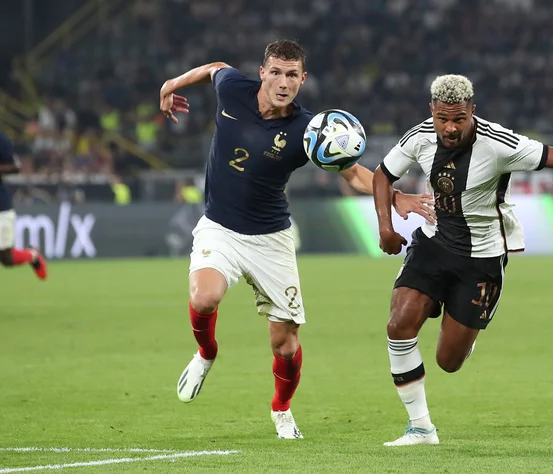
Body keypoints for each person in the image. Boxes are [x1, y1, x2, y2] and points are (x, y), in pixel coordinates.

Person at [159, 39, 435, 439]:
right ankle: (207, 353)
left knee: (285, 344)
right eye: (276, 72)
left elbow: (354, 173)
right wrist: (171, 84)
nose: (283, 82)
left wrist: (396, 198)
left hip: (271, 240)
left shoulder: (309, 130)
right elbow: (213, 67)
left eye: (292, 75)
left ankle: (281, 408)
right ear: (262, 72)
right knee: (204, 297)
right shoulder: (232, 89)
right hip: (219, 227)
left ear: (303, 79)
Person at [372, 74, 553, 446]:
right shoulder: (420, 136)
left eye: (459, 118)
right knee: (399, 324)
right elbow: (382, 174)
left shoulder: (498, 143)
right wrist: (385, 227)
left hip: (483, 258)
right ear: (432, 111)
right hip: (435, 242)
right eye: (443, 119)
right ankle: (421, 428)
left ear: (472, 111)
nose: (450, 128)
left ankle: (465, 331)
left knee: (449, 361)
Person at [0, 131, 47, 280]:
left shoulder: (1, 139)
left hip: (1, 206)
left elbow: (15, 166)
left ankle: (32, 255)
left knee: (6, 258)